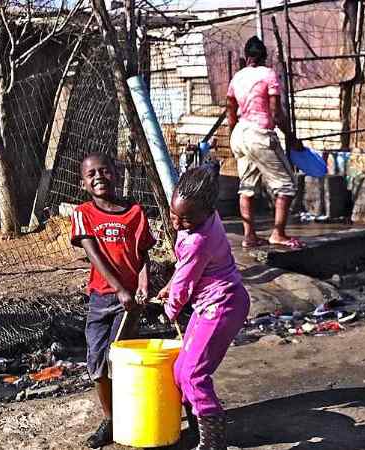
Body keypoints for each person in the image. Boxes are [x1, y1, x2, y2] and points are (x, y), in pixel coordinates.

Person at [157, 163, 250, 450]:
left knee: (193, 374)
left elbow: (185, 282)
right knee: (180, 371)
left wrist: (169, 311)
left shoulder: (199, 239)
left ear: (208, 211)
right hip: (212, 303)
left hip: (221, 306)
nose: (177, 223)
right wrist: (170, 285)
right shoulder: (203, 219)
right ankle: (201, 430)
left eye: (185, 219)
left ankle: (213, 442)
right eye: (174, 214)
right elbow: (186, 271)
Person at [70, 152, 157, 448]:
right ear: (83, 183)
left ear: (116, 174)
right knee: (96, 362)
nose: (98, 177)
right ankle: (110, 418)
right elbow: (95, 255)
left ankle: (125, 415)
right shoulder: (83, 213)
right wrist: (119, 288)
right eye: (91, 174)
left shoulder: (135, 211)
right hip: (101, 298)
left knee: (117, 359)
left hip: (130, 302)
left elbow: (143, 253)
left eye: (104, 171)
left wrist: (143, 283)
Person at [227, 35, 304, 249]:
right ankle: (278, 234)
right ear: (264, 56)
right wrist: (291, 137)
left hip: (240, 135)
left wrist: (233, 135)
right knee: (287, 185)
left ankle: (249, 236)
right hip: (259, 135)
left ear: (246, 56)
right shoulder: (268, 75)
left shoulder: (238, 77)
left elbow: (230, 110)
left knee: (247, 187)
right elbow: (276, 113)